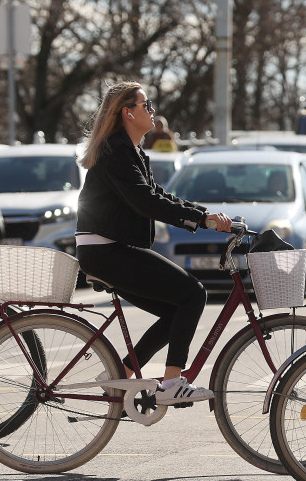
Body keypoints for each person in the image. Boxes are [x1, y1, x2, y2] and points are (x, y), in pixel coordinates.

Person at [75, 81, 231, 405]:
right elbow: (146, 203)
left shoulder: (131, 151)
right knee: (193, 293)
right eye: (147, 105)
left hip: (110, 250)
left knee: (176, 311)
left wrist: (205, 216)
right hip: (107, 251)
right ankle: (172, 384)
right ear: (127, 112)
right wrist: (201, 221)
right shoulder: (116, 152)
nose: (152, 111)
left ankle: (118, 375)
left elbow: (160, 195)